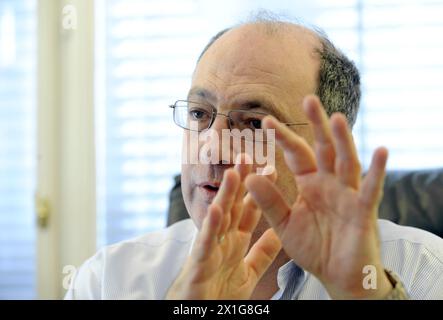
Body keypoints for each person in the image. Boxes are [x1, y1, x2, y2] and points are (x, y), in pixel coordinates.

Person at [65, 15, 443, 300]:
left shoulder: (426, 268)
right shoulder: (109, 280)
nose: (211, 148)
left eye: (253, 123)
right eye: (199, 114)